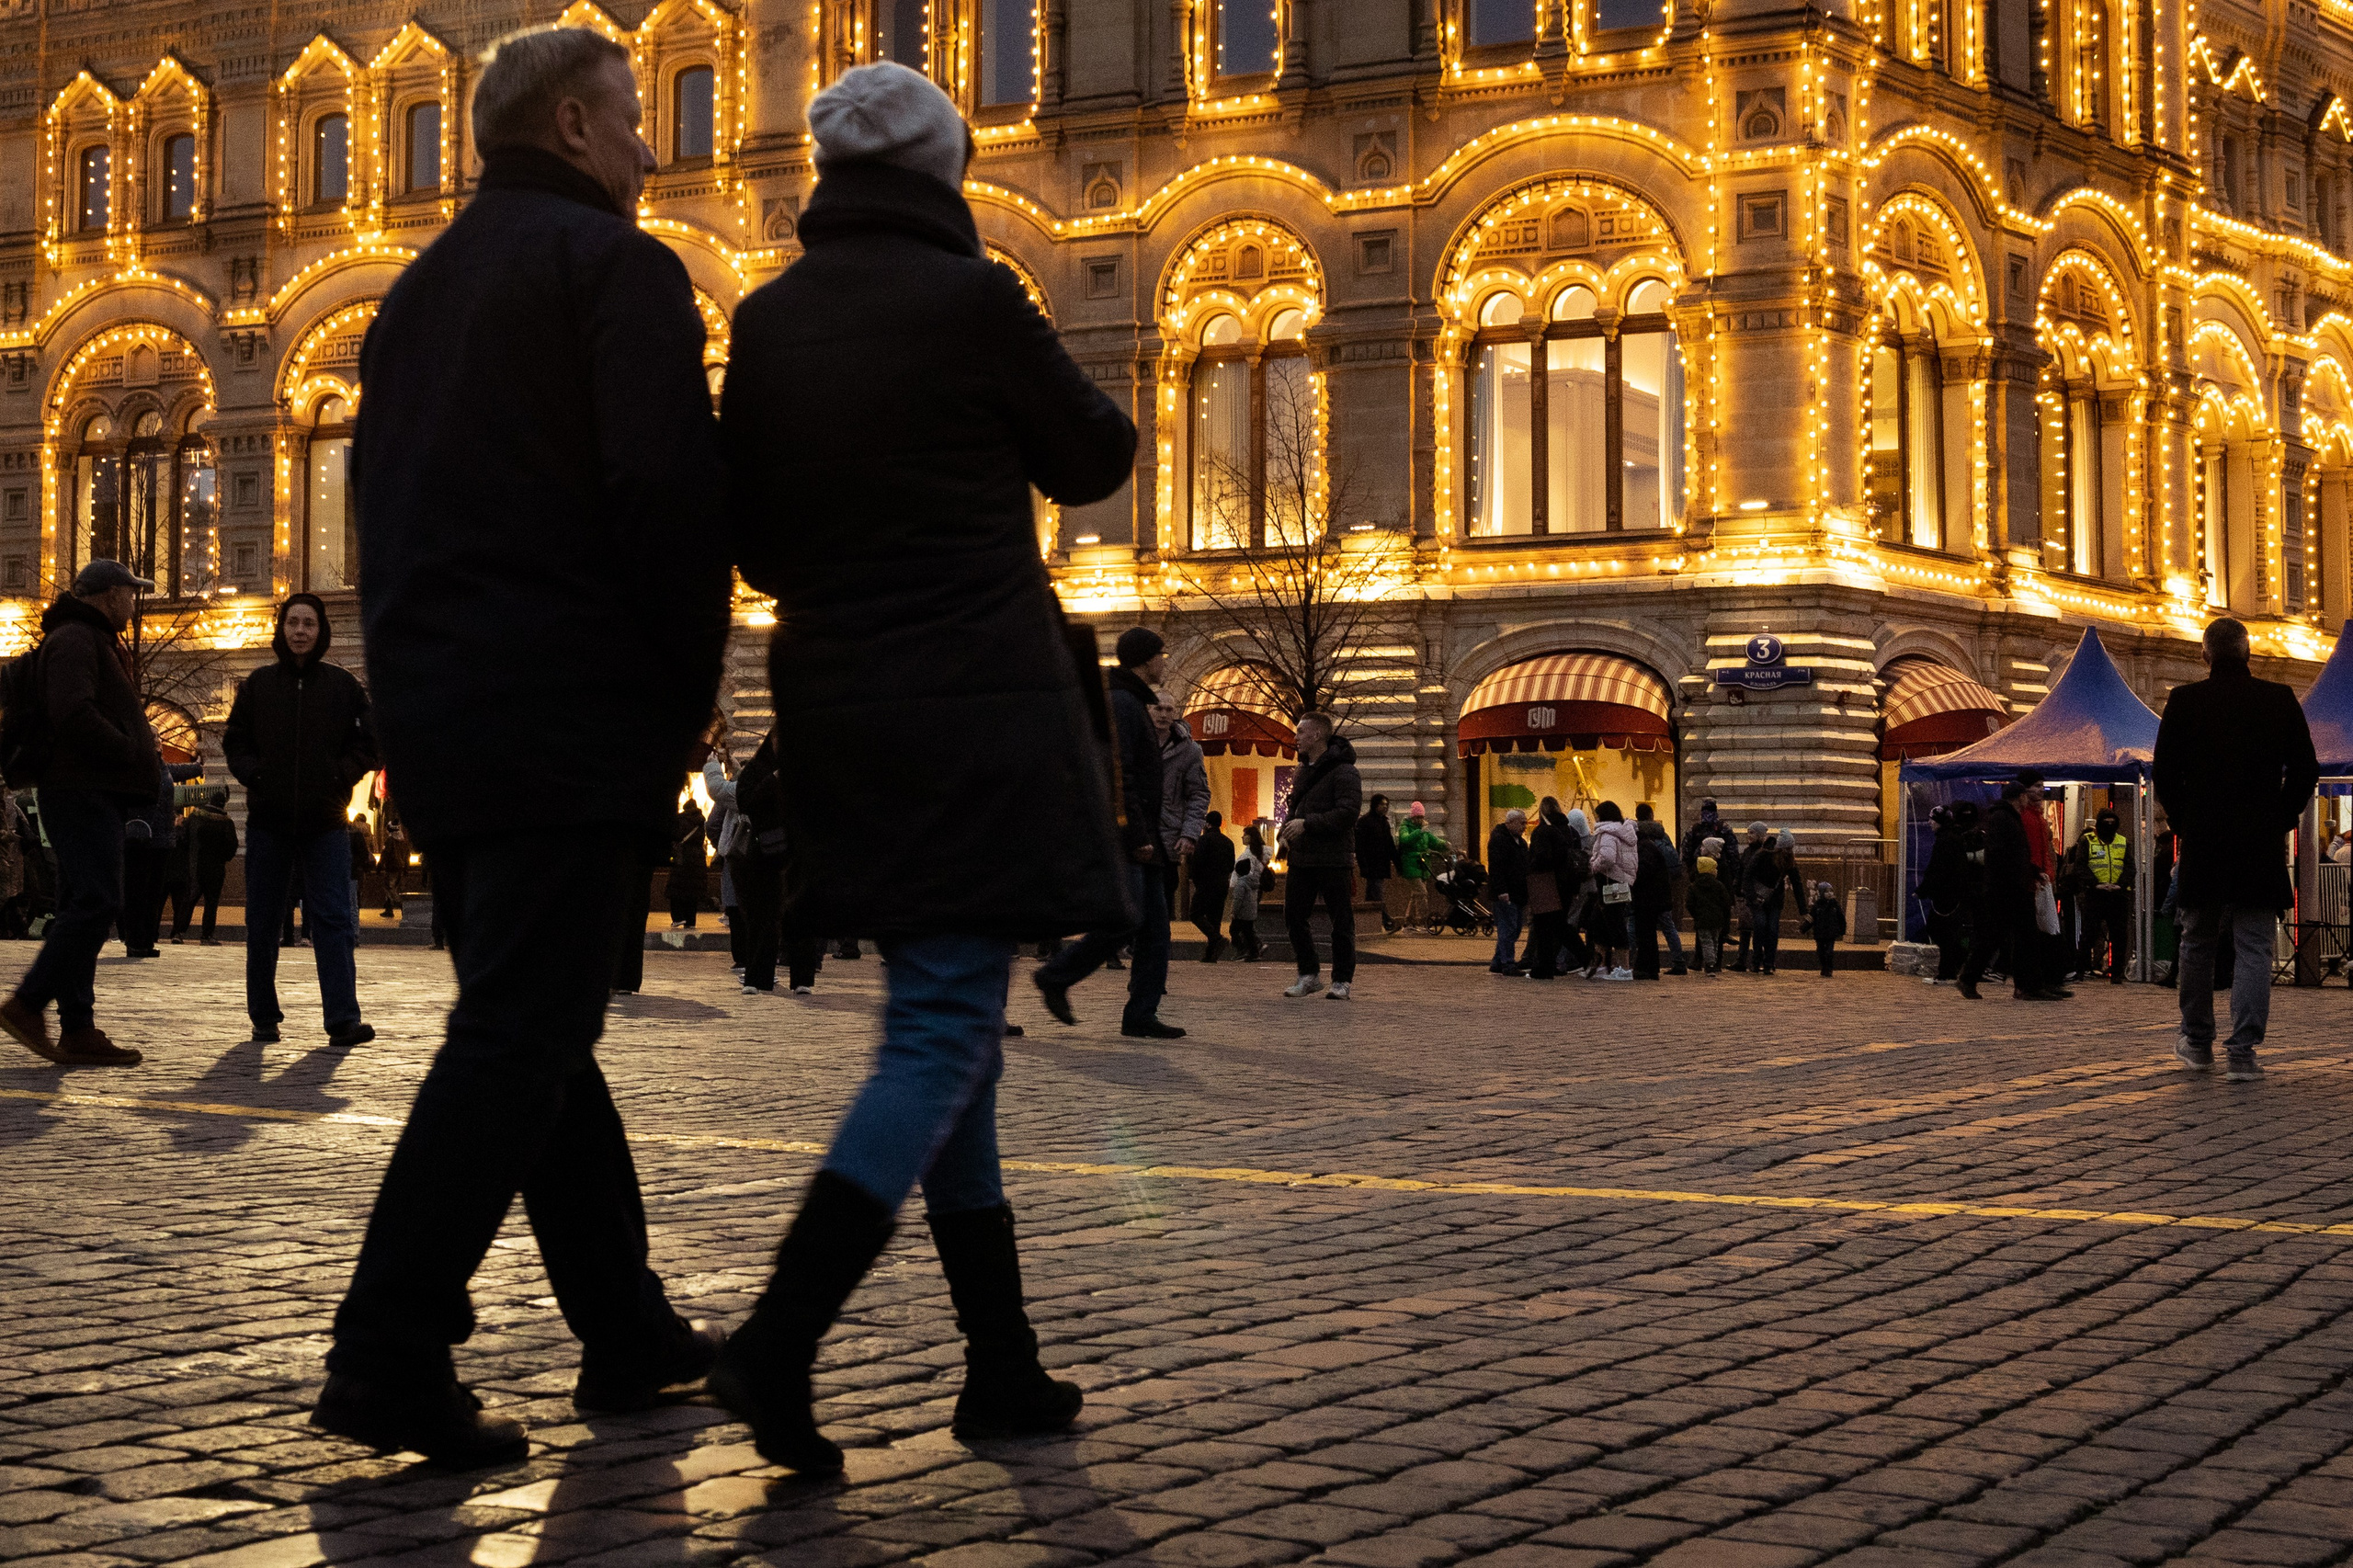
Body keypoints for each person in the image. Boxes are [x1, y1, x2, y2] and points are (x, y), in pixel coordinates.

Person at [316, 26, 734, 1466]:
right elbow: (665, 495)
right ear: (568, 125)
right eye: (631, 119)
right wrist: (688, 688)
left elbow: (386, 523)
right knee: (521, 1029)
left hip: (449, 714)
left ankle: (623, 1327)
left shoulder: (416, 294)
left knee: (537, 1016)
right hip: (572, 709)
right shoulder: (617, 269)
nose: (649, 146)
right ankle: (386, 1347)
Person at [711, 58, 1136, 1473]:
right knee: (944, 1031)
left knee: (951, 1026)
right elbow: (1095, 457)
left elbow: (759, 543)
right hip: (971, 700)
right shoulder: (973, 298)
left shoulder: (765, 322)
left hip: (839, 700)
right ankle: (781, 1333)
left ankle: (1001, 1364)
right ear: (945, 171)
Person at [0, 561, 162, 1067]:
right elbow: (73, 712)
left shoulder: (88, 638)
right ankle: (27, 1004)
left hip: (88, 790)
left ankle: (77, 1027)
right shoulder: (74, 638)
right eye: (130, 592)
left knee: (79, 902)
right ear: (109, 595)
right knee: (97, 901)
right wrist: (130, 748)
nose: (134, 602)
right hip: (80, 790)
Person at [2155, 616, 2319, 1080]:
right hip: (2258, 845)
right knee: (2253, 947)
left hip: (2206, 844)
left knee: (2197, 944)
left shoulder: (2185, 701)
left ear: (2205, 655)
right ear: (2249, 653)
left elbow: (2164, 774)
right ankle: (2243, 1053)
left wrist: (2189, 823)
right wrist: (2279, 819)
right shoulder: (2278, 699)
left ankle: (2198, 1042)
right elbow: (2305, 770)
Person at [222, 596, 379, 1051]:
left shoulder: (344, 687)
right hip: (269, 823)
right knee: (263, 922)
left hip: (326, 824)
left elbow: (371, 743)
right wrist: (255, 775)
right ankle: (264, 1017)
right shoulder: (257, 685)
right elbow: (235, 741)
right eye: (293, 622)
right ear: (282, 628)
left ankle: (343, 1020)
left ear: (320, 630)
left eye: (309, 623)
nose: (300, 631)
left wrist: (341, 775)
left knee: (332, 920)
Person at [1034, 628, 1181, 1039]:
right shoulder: (1122, 702)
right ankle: (1057, 975)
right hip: (1131, 837)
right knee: (1126, 919)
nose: (1164, 662)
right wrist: (1136, 835)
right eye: (1160, 655)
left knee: (1154, 929)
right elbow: (1121, 775)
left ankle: (1141, 1013)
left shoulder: (1131, 701)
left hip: (1142, 834)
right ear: (1144, 659)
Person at [1278, 711, 1363, 999]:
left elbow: (1348, 813)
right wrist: (1286, 832)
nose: (1296, 738)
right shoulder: (1303, 770)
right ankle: (1308, 974)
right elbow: (1295, 808)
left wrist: (1307, 824)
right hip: (1302, 857)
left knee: (1341, 921)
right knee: (1294, 916)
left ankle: (1341, 980)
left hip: (1333, 857)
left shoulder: (1345, 772)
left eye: (1301, 732)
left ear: (1316, 735)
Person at [1960, 774, 2065, 1001]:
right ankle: (1969, 978)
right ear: (2019, 797)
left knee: (2025, 937)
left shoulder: (2011, 818)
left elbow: (2018, 854)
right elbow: (2002, 855)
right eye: (2028, 793)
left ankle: (2028, 986)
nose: (2031, 798)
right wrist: (2022, 875)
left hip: (2016, 888)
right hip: (2005, 890)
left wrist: (2033, 871)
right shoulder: (2002, 819)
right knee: (1995, 937)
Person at [1915, 800, 1984, 984]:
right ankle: (1949, 969)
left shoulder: (1945, 840)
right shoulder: (1952, 838)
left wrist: (1923, 890)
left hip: (1947, 896)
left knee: (1941, 930)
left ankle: (1949, 970)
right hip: (1953, 893)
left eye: (1932, 820)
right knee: (1946, 931)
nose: (1930, 823)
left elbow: (1937, 869)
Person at [1156, 703, 1208, 916]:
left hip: (1167, 836)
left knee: (1163, 898)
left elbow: (1199, 794)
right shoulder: (1132, 741)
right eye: (1158, 708)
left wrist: (1189, 834)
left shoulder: (1189, 750)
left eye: (1169, 709)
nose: (1164, 714)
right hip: (1135, 831)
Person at [2075, 806, 2134, 984]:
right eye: (2106, 822)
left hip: (2118, 895)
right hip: (2095, 894)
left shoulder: (2123, 841)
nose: (2109, 825)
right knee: (2089, 935)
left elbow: (2130, 868)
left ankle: (2116, 973)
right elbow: (2080, 866)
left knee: (2119, 935)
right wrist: (2095, 884)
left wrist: (2120, 885)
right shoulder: (2087, 841)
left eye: (2112, 822)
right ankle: (2080, 970)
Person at [1585, 801, 1636, 980]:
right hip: (1620, 882)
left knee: (1614, 924)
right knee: (1600, 922)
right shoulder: (1624, 831)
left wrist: (1593, 865)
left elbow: (1607, 857)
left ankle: (1624, 968)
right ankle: (1602, 964)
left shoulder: (1608, 833)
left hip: (1611, 883)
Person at [1523, 800, 1573, 980]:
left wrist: (1531, 869)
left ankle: (1543, 966)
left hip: (1546, 883)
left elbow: (1542, 857)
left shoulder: (1542, 831)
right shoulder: (1567, 829)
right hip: (1565, 883)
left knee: (1543, 926)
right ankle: (1550, 963)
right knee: (1559, 925)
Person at [181, 789, 237, 945]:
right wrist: (224, 858)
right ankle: (207, 935)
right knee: (211, 904)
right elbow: (232, 846)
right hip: (216, 869)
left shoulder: (195, 818)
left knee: (189, 900)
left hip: (196, 865)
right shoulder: (226, 822)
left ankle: (178, 932)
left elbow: (185, 839)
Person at [1485, 808, 1529, 975]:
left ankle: (1498, 961)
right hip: (1505, 893)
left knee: (1515, 928)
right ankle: (1507, 963)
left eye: (1525, 823)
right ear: (1510, 823)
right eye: (1521, 822)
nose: (1524, 826)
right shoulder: (1499, 839)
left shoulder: (1521, 842)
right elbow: (1496, 868)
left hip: (1518, 892)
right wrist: (1501, 890)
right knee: (1508, 928)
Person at [1631, 815, 1674, 980]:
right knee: (1647, 933)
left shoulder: (1644, 847)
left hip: (1649, 898)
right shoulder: (1646, 845)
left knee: (1645, 933)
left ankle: (1645, 967)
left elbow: (1644, 871)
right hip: (1651, 897)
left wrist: (1631, 875)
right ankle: (1649, 967)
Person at [1189, 809, 1235, 961]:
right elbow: (1230, 865)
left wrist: (1196, 881)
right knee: (1214, 918)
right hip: (1222, 884)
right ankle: (1210, 955)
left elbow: (1196, 863)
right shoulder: (1228, 842)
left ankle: (1216, 938)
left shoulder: (1204, 840)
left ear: (1207, 824)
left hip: (1206, 883)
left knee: (1195, 914)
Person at [1394, 802, 1442, 932]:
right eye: (1418, 817)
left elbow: (1434, 841)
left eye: (1422, 817)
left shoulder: (1424, 829)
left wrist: (1447, 846)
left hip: (1422, 865)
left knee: (1415, 895)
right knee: (1421, 893)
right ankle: (1423, 921)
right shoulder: (1405, 827)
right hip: (1410, 864)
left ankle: (1408, 922)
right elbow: (1405, 840)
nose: (1421, 820)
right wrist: (1419, 832)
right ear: (1413, 817)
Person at [1728, 823, 1768, 971]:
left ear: (1760, 835)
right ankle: (1741, 960)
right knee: (1744, 928)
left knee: (1758, 930)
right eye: (1748, 833)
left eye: (1752, 833)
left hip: (1758, 896)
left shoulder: (1764, 852)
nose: (1749, 836)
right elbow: (1741, 871)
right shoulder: (1746, 852)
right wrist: (1737, 887)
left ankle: (1758, 960)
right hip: (1745, 895)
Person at [1356, 795, 1399, 933]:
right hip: (1371, 864)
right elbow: (1360, 846)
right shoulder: (1365, 822)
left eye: (1387, 804)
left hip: (1381, 864)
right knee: (1377, 894)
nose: (1385, 807)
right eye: (1382, 804)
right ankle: (1388, 921)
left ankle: (1368, 924)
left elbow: (1390, 845)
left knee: (1371, 896)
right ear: (1375, 805)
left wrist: (1398, 863)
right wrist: (1363, 866)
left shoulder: (1384, 823)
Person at [666, 796, 707, 928]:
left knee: (677, 889)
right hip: (697, 859)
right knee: (692, 891)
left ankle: (678, 917)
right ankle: (691, 920)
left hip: (682, 857)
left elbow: (674, 835)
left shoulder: (680, 819)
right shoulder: (701, 822)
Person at [1687, 854, 1731, 975]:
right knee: (1715, 941)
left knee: (1706, 941)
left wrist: (1696, 915)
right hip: (1717, 920)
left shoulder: (1694, 886)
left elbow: (1689, 904)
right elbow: (1726, 902)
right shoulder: (1719, 885)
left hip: (1702, 919)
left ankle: (1710, 963)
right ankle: (1713, 963)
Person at [1230, 825, 1267, 961]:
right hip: (1250, 900)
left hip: (1245, 901)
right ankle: (1254, 949)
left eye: (1245, 834)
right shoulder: (1255, 853)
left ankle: (1248, 949)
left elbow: (1239, 898)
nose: (1242, 837)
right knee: (1247, 928)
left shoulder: (1250, 856)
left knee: (1238, 929)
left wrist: (1234, 910)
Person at [1803, 881, 1847, 976]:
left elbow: (1841, 918)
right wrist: (1803, 928)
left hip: (1831, 933)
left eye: (1831, 891)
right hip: (1820, 933)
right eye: (1827, 892)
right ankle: (1824, 967)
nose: (1830, 893)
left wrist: (1843, 930)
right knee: (1820, 951)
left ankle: (1829, 968)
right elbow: (1811, 918)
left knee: (1829, 951)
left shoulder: (1835, 905)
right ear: (1822, 893)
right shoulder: (1817, 905)